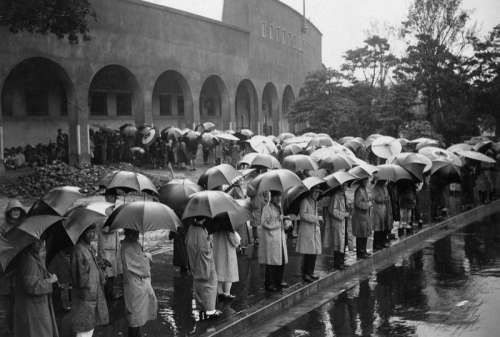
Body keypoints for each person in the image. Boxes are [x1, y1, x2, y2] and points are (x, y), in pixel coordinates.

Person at [14, 240, 59, 337]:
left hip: (37, 307)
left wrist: (47, 276)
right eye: (37, 242)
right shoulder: (28, 260)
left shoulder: (33, 257)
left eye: (42, 242)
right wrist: (50, 281)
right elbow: (30, 286)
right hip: (34, 310)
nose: (41, 245)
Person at [71, 225, 109, 337]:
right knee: (84, 330)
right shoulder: (78, 250)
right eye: (89, 232)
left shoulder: (88, 248)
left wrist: (100, 272)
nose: (92, 234)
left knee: (89, 327)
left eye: (94, 232)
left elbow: (92, 268)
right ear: (82, 232)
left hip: (92, 294)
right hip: (85, 297)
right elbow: (80, 278)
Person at [121, 229, 158, 336]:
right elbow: (143, 268)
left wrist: (143, 254)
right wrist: (148, 257)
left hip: (136, 285)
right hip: (135, 286)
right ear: (130, 233)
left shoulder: (133, 244)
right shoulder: (128, 247)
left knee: (137, 314)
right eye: (136, 232)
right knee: (135, 316)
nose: (138, 234)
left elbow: (139, 259)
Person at [185, 218, 221, 320]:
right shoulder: (201, 231)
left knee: (198, 286)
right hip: (205, 265)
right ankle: (210, 310)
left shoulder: (191, 229)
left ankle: (201, 308)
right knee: (210, 285)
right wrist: (210, 241)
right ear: (204, 218)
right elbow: (205, 250)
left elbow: (188, 243)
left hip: (194, 264)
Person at [0, 200, 26, 335]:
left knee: (21, 304)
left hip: (21, 265)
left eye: (18, 210)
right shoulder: (3, 227)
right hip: (7, 267)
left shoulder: (25, 225)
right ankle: (10, 330)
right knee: (9, 305)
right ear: (9, 212)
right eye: (13, 210)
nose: (16, 212)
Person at [259, 191, 290, 292]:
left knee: (281, 260)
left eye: (279, 196)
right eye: (276, 196)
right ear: (272, 197)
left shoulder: (279, 207)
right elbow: (264, 223)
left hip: (279, 237)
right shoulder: (267, 208)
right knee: (271, 263)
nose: (279, 198)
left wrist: (285, 220)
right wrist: (277, 222)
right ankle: (269, 284)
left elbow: (280, 220)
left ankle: (279, 280)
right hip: (271, 239)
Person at [98, 191, 123, 300]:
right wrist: (116, 225)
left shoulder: (112, 210)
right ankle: (108, 295)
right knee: (108, 272)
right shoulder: (104, 211)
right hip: (107, 246)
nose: (114, 199)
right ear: (107, 197)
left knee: (113, 271)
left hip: (113, 246)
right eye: (112, 197)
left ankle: (110, 292)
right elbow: (105, 229)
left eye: (115, 197)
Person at [297, 187, 322, 283]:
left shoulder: (315, 202)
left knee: (313, 253)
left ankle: (311, 272)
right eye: (315, 192)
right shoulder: (305, 201)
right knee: (308, 253)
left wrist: (317, 220)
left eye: (318, 192)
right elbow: (303, 215)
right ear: (311, 192)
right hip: (307, 231)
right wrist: (316, 218)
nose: (317, 194)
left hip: (314, 230)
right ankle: (305, 274)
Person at [323, 183, 350, 270]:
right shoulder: (336, 196)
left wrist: (348, 208)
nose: (346, 187)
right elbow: (332, 211)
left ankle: (342, 262)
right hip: (338, 223)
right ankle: (337, 264)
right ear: (341, 186)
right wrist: (343, 214)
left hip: (343, 222)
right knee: (338, 244)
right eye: (345, 185)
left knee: (343, 242)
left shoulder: (344, 196)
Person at [213, 230, 240, 299]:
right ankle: (227, 293)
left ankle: (220, 293)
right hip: (228, 252)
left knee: (219, 273)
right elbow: (235, 242)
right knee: (229, 274)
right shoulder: (228, 227)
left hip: (217, 252)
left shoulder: (214, 226)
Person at [352, 177, 372, 259]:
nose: (367, 182)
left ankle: (364, 251)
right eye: (366, 180)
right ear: (362, 181)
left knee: (365, 233)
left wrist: (368, 201)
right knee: (360, 234)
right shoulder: (359, 190)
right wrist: (367, 205)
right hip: (360, 216)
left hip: (365, 215)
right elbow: (358, 203)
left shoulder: (364, 189)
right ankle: (360, 253)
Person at [371, 179, 391, 250]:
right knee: (378, 228)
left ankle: (382, 242)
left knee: (384, 227)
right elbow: (375, 198)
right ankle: (376, 244)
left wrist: (387, 198)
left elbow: (387, 196)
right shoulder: (375, 188)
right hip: (378, 210)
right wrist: (383, 199)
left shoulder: (384, 187)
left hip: (384, 209)